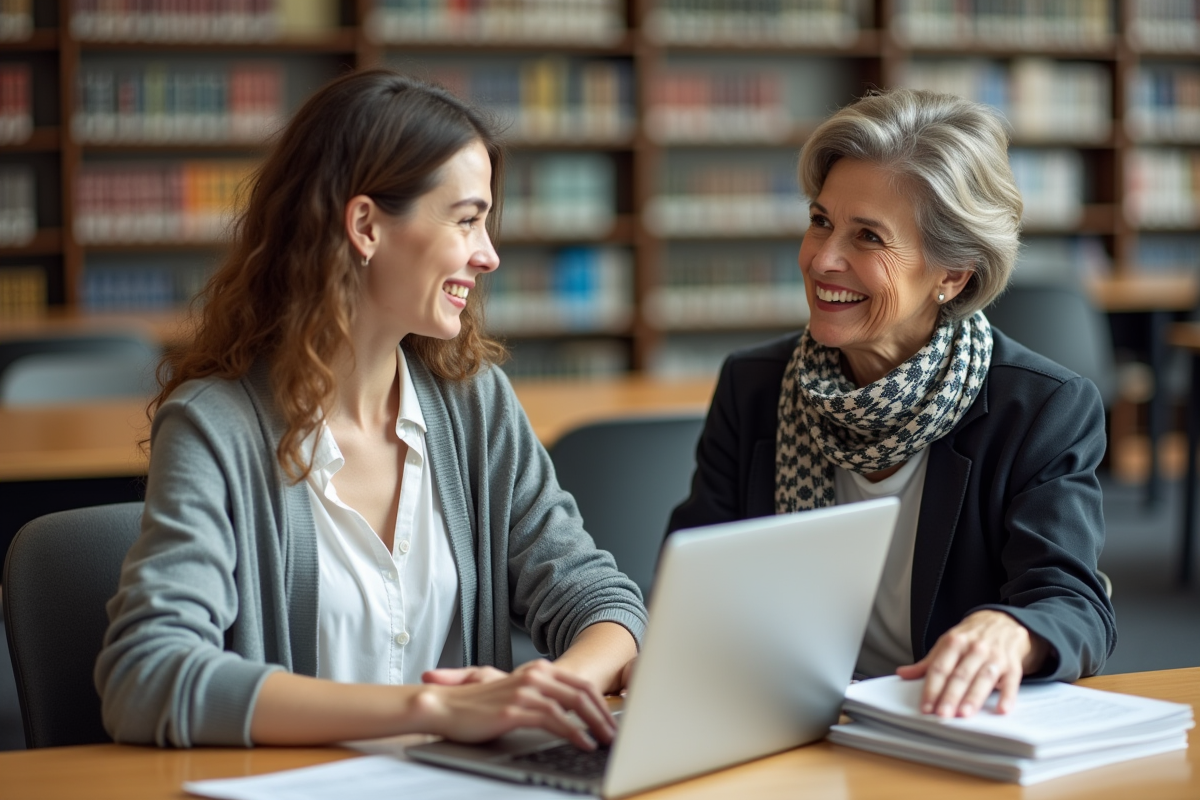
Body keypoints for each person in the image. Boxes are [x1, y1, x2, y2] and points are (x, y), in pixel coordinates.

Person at [95, 70, 646, 749]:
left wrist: (547, 690)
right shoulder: (216, 428)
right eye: (468, 220)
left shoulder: (476, 403)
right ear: (365, 226)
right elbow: (146, 677)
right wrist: (431, 710)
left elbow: (601, 599)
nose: (490, 255)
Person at [667, 88, 1115, 719]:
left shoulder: (1040, 408)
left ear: (952, 274)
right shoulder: (755, 386)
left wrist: (1016, 633)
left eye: (868, 237)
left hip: (938, 729)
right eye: (821, 221)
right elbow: (692, 586)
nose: (823, 259)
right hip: (780, 722)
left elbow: (1074, 603)